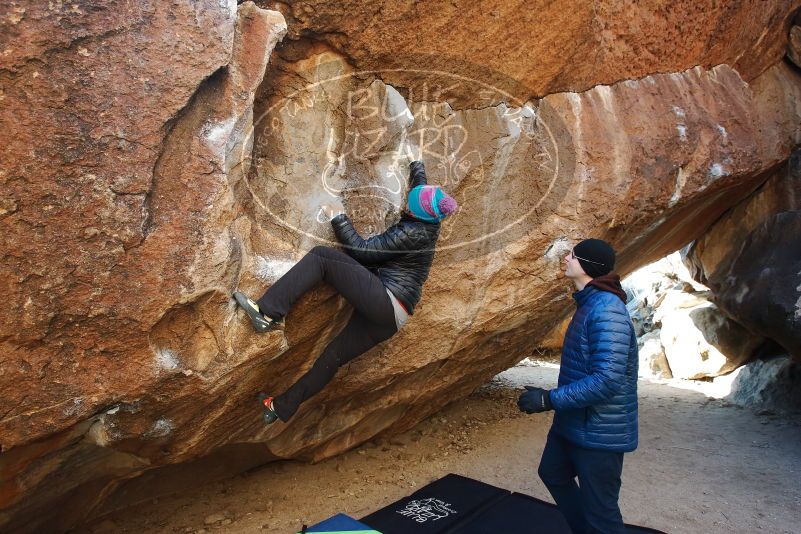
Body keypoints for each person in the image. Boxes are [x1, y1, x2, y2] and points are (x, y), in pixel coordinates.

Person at [233, 160, 457, 424]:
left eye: (412, 202)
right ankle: (280, 407)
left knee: (322, 258)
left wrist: (338, 216)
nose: (407, 203)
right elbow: (422, 193)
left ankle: (267, 312)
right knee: (333, 357)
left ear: (418, 212)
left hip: (384, 301)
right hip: (394, 318)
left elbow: (364, 252)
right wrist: (417, 167)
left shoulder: (413, 231)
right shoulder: (428, 218)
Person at [517, 238, 638, 534]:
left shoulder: (607, 311)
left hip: (599, 432)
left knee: (602, 514)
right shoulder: (590, 303)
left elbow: (607, 380)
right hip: (573, 422)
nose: (566, 258)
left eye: (572, 255)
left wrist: (548, 400)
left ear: (587, 266)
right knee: (553, 472)